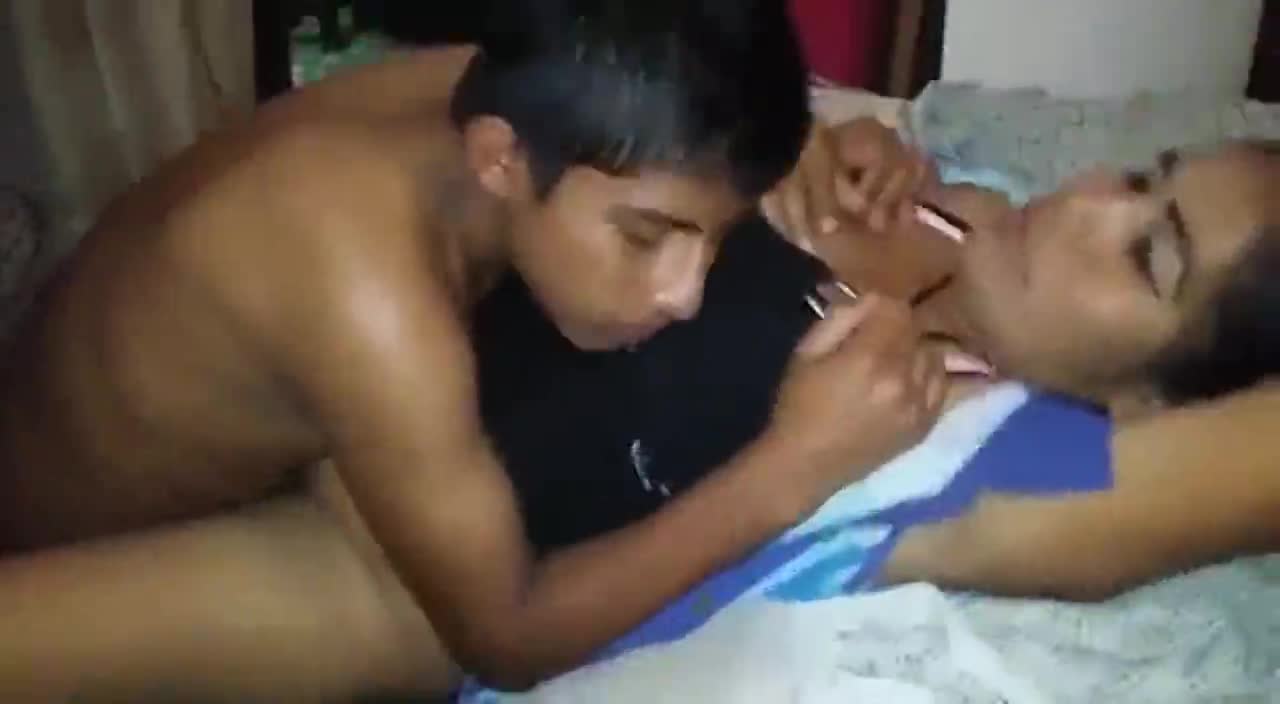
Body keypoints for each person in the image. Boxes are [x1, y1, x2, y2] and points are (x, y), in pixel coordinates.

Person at [0, 3, 949, 702]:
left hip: (135, 389)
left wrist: (790, 142)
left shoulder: (525, 93)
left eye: (712, 237)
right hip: (61, 527)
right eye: (645, 236)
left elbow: (688, 117)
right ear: (499, 160)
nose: (683, 293)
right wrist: (796, 465)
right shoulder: (366, 285)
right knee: (419, 629)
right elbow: (507, 638)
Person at [474, 120, 1280, 604]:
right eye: (1139, 177)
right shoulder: (930, 195)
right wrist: (763, 136)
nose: (1088, 198)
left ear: (1154, 405)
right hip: (444, 285)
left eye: (1148, 256)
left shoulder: (987, 456)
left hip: (430, 546)